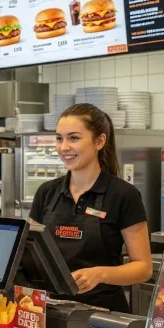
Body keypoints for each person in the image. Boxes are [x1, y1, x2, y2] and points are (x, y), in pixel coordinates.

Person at [29, 103, 153, 313]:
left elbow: (143, 268)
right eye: (59, 138)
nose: (64, 147)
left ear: (100, 141)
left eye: (74, 138)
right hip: (49, 309)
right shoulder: (47, 192)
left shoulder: (123, 195)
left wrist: (100, 274)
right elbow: (30, 252)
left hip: (102, 314)